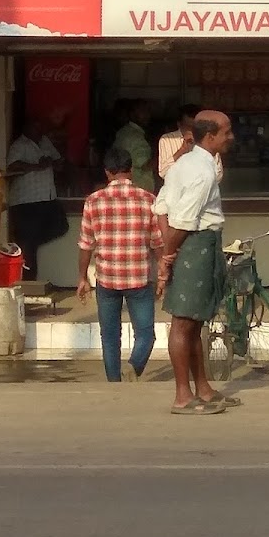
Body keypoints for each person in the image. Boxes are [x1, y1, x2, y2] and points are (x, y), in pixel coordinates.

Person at [156, 110, 240, 416]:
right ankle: (182, 395)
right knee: (183, 322)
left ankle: (202, 388)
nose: (231, 137)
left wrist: (168, 250)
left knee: (196, 322)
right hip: (194, 244)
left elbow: (162, 207)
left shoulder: (185, 163)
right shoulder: (202, 172)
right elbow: (184, 220)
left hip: (192, 243)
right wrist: (168, 256)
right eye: (227, 132)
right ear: (211, 136)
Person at [76, 147, 163, 383]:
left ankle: (114, 382)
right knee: (145, 333)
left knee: (110, 336)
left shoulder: (93, 202)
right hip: (139, 278)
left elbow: (86, 244)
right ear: (131, 170)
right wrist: (164, 272)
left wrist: (82, 277)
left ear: (107, 173)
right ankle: (134, 366)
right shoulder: (148, 200)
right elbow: (157, 243)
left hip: (107, 279)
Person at [6, 117, 67, 281]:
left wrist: (53, 162)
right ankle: (28, 282)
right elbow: (11, 166)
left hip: (47, 197)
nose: (39, 131)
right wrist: (36, 166)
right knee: (29, 245)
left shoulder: (45, 142)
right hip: (26, 200)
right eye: (36, 127)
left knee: (61, 226)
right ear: (26, 128)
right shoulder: (20, 145)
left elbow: (59, 162)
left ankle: (27, 244)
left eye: (41, 127)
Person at [157, 103, 224, 184]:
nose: (191, 132)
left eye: (194, 128)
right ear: (179, 124)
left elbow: (218, 174)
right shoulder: (167, 139)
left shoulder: (208, 140)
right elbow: (163, 173)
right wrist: (182, 150)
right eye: (188, 127)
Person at [113, 99, 155, 193]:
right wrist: (164, 158)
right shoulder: (136, 137)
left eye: (148, 111)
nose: (147, 115)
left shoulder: (123, 132)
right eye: (143, 112)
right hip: (139, 190)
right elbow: (145, 164)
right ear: (132, 114)